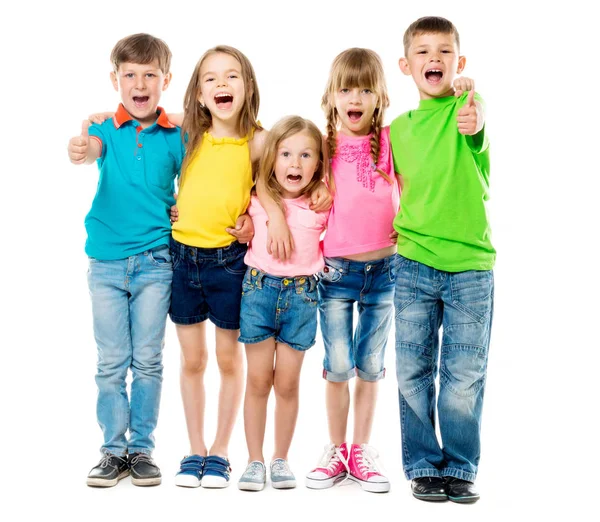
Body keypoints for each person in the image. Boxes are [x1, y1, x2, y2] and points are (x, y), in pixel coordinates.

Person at [67, 33, 182, 487]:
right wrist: (81, 148)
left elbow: (199, 163)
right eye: (130, 75)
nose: (140, 83)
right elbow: (89, 150)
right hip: (107, 262)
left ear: (165, 80)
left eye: (149, 75)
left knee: (149, 360)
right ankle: (113, 450)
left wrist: (184, 205)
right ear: (115, 80)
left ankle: (142, 449)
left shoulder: (177, 133)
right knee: (112, 361)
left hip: (156, 259)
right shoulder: (102, 130)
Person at [390, 16, 495, 504]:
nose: (434, 58)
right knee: (412, 370)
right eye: (423, 51)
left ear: (459, 62)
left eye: (445, 51)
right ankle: (422, 465)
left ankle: (460, 465)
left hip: (470, 266)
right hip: (411, 262)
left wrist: (472, 112)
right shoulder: (399, 129)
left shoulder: (467, 109)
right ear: (406, 65)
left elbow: (477, 135)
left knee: (462, 374)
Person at [303, 48, 400, 494]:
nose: (355, 97)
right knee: (338, 363)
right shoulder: (323, 147)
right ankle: (336, 449)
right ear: (331, 97)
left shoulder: (392, 141)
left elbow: (414, 187)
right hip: (337, 273)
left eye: (364, 88)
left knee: (371, 364)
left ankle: (361, 449)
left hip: (385, 271)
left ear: (379, 96)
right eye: (346, 88)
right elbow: (286, 175)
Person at [236, 116, 328, 491]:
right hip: (258, 292)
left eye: (306, 155)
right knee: (258, 381)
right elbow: (240, 207)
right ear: (272, 158)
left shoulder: (323, 204)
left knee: (287, 385)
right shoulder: (257, 200)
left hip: (302, 297)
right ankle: (254, 459)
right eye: (286, 154)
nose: (295, 163)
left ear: (318, 164)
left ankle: (280, 458)